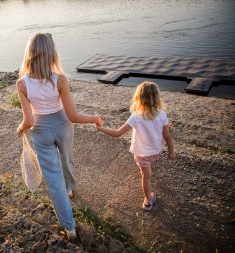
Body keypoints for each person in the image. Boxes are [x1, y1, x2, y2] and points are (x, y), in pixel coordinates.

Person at [16, 33, 104, 239]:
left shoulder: (22, 83)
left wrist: (20, 128)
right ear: (51, 54)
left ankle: (69, 228)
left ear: (29, 54)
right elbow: (72, 116)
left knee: (53, 181)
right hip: (63, 125)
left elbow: (28, 121)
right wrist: (94, 118)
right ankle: (71, 188)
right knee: (66, 158)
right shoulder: (60, 80)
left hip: (40, 130)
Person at [95, 81, 175, 211]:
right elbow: (167, 136)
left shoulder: (136, 117)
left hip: (142, 154)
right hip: (155, 151)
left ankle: (148, 201)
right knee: (148, 169)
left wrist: (100, 129)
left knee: (146, 177)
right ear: (157, 97)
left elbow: (118, 133)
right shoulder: (162, 114)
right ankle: (149, 179)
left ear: (139, 98)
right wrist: (171, 151)